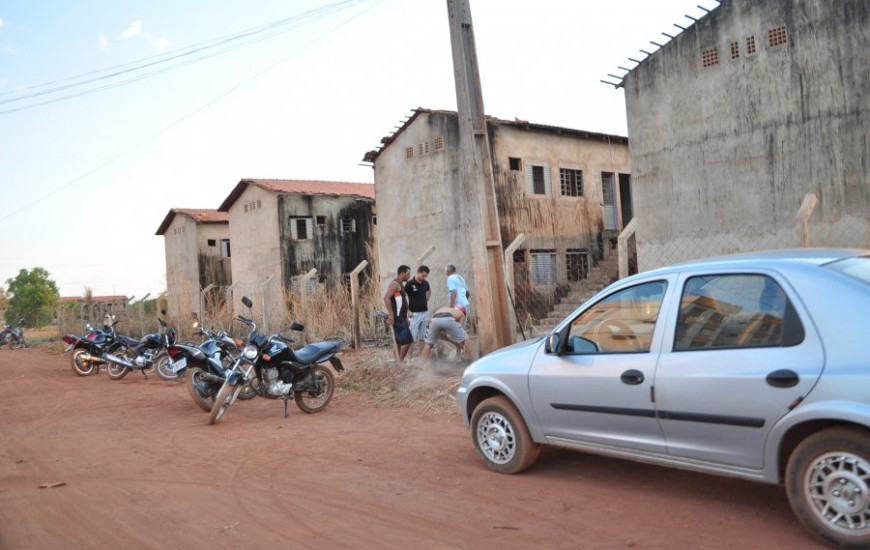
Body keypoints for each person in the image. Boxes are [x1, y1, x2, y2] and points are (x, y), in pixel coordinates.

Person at [383, 265, 413, 362]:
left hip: (401, 317)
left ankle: (397, 362)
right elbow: (386, 298)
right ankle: (399, 362)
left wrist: (407, 315)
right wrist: (391, 314)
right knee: (408, 340)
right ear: (402, 273)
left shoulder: (400, 285)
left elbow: (400, 301)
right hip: (397, 317)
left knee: (399, 341)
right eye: (408, 274)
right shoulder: (394, 284)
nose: (409, 276)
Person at [405, 265, 431, 356]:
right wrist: (408, 311)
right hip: (414, 314)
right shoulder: (409, 284)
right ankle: (409, 359)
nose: (424, 278)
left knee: (422, 337)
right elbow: (403, 298)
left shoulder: (425, 283)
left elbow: (428, 291)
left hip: (425, 313)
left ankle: (422, 359)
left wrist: (426, 300)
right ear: (418, 272)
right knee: (412, 338)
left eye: (426, 276)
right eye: (423, 276)